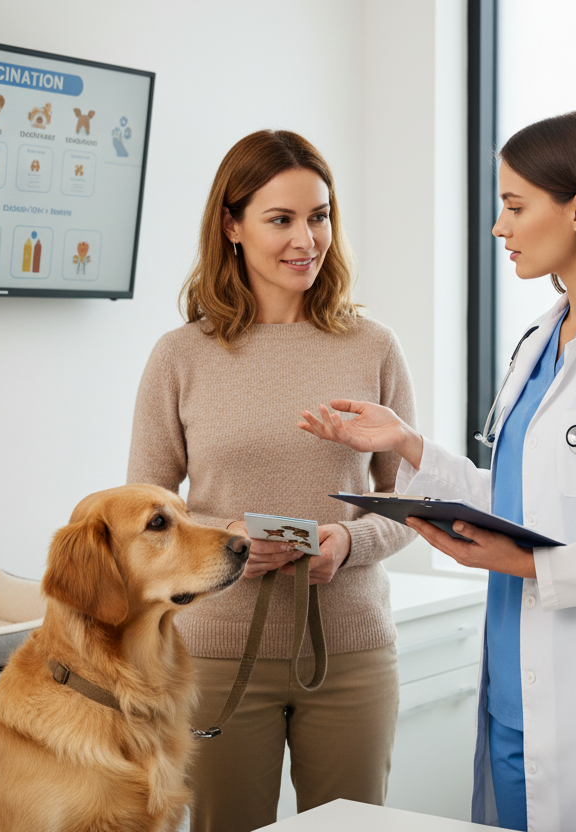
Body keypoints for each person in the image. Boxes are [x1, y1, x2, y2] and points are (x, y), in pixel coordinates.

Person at [299, 111, 576, 831]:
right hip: (517, 690)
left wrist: (530, 565)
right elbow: (523, 497)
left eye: (516, 206)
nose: (499, 227)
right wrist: (407, 446)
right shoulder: (536, 342)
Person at [127, 129, 417, 832]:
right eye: (280, 219)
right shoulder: (180, 356)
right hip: (214, 657)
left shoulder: (373, 346)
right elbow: (144, 515)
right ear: (232, 226)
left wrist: (348, 544)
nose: (306, 239)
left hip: (349, 652)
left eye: (318, 216)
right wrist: (224, 539)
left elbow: (408, 502)